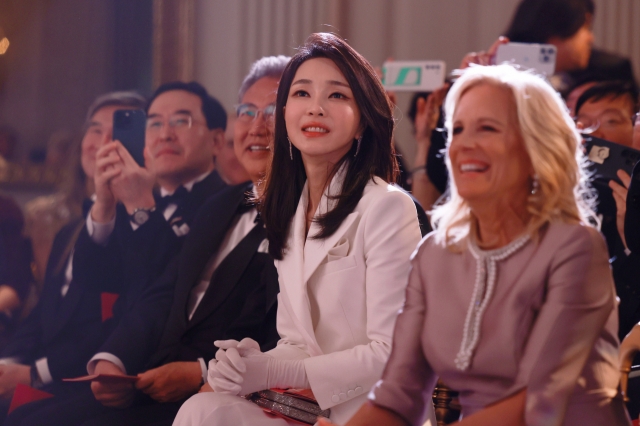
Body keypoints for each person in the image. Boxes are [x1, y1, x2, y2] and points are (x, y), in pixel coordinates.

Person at [3, 56, 288, 426]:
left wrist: (199, 370)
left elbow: (156, 292)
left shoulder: (214, 201)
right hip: (129, 371)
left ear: (218, 140)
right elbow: (107, 289)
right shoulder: (224, 205)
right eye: (154, 123)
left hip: (206, 383)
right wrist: (113, 359)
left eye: (181, 121)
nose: (165, 133)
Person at [340, 64, 630, 426]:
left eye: (487, 128)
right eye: (457, 129)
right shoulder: (433, 255)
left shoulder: (575, 247)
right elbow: (397, 397)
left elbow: (539, 401)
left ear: (536, 149)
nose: (464, 145)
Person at [172, 33, 435, 426]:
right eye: (301, 94)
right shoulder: (289, 211)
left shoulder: (387, 206)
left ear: (363, 121)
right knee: (199, 410)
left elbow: (391, 352)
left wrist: (274, 372)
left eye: (337, 96)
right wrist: (249, 363)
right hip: (306, 408)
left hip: (370, 411)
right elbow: (297, 341)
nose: (315, 108)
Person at [0, 91, 146, 421]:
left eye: (118, 130)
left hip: (85, 385)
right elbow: (42, 315)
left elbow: (113, 325)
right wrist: (7, 364)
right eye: (95, 129)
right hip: (44, 377)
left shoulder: (142, 227)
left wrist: (34, 373)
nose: (102, 141)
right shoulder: (70, 228)